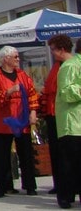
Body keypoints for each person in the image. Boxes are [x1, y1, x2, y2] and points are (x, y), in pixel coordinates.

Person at [0, 46, 39, 198]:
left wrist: (33, 112)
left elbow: (32, 94)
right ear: (5, 58)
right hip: (3, 122)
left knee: (26, 155)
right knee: (2, 157)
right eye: (15, 57)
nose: (18, 59)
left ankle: (30, 186)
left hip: (21, 121)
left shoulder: (23, 75)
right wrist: (8, 92)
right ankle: (3, 187)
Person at [48, 34, 81, 209]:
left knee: (72, 163)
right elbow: (67, 93)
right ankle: (65, 196)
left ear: (61, 49)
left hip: (76, 122)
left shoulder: (72, 65)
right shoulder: (68, 67)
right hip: (70, 123)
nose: (53, 54)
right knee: (69, 163)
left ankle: (68, 195)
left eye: (53, 50)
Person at [38, 54, 62, 195]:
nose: (52, 53)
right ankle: (59, 183)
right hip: (52, 113)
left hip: (58, 112)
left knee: (63, 152)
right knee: (56, 151)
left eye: (53, 49)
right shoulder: (56, 67)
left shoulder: (66, 66)